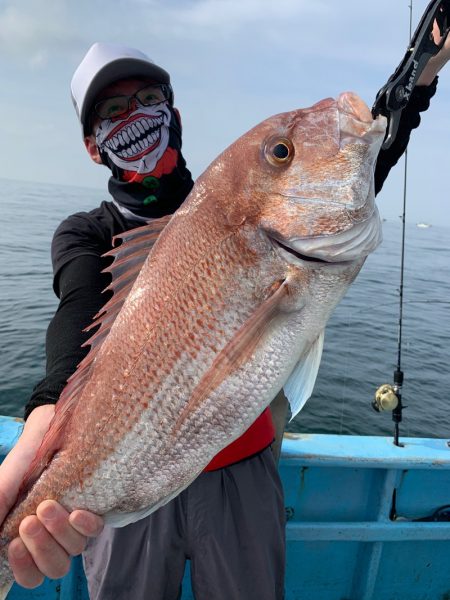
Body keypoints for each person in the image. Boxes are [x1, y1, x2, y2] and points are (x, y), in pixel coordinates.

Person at [0, 30, 448, 599]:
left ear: (174, 112)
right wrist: (43, 426)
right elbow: (76, 324)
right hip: (122, 483)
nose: (134, 117)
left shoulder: (249, 210)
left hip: (243, 472)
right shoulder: (90, 234)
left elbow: (357, 167)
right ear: (93, 145)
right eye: (113, 111)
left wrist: (424, 67)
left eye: (147, 100)